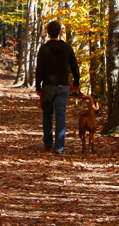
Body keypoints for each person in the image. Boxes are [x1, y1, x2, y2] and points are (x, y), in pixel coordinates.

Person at [35, 20, 80, 154]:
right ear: (60, 32)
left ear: (48, 33)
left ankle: (48, 143)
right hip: (63, 87)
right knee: (60, 115)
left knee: (47, 113)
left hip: (48, 86)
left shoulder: (44, 48)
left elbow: (39, 69)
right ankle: (59, 146)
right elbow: (75, 67)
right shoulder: (67, 48)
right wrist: (76, 83)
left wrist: (38, 86)